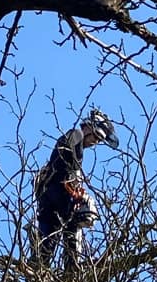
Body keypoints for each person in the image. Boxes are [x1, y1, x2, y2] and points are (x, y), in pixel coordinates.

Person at [34, 108, 117, 270]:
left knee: (50, 236)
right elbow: (62, 155)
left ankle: (44, 265)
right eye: (96, 136)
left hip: (53, 198)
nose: (95, 142)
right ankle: (70, 266)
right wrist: (72, 187)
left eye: (100, 140)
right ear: (88, 127)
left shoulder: (78, 152)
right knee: (73, 223)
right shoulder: (76, 135)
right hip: (56, 192)